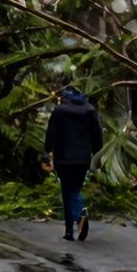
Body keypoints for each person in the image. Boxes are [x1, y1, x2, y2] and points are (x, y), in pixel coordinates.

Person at [44, 88, 104, 242]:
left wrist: (47, 150)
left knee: (67, 190)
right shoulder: (90, 111)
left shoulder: (59, 111)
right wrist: (96, 151)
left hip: (63, 157)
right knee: (75, 188)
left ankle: (77, 219)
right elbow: (97, 134)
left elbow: (51, 133)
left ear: (65, 98)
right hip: (83, 158)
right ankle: (70, 229)